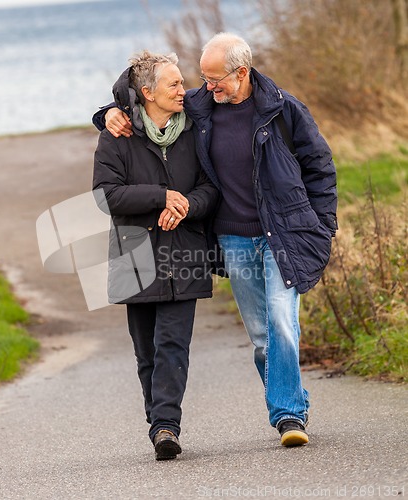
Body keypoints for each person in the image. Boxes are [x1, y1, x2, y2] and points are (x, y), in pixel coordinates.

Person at [94, 33, 338, 447]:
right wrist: (108, 113)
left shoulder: (284, 109)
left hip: (284, 234)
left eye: (214, 78)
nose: (204, 87)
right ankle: (289, 400)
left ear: (240, 73)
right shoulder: (202, 106)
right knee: (261, 335)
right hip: (235, 239)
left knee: (281, 319)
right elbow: (142, 100)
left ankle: (288, 415)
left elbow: (319, 165)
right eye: (201, 79)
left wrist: (323, 223)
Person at [93, 50, 218, 460]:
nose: (185, 89)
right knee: (146, 350)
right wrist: (161, 196)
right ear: (147, 92)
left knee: (172, 345)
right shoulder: (117, 133)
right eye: (175, 84)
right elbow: (106, 195)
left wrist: (186, 205)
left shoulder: (196, 130)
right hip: (135, 255)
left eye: (182, 82)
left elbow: (210, 188)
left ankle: (167, 425)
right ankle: (159, 423)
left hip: (185, 251)